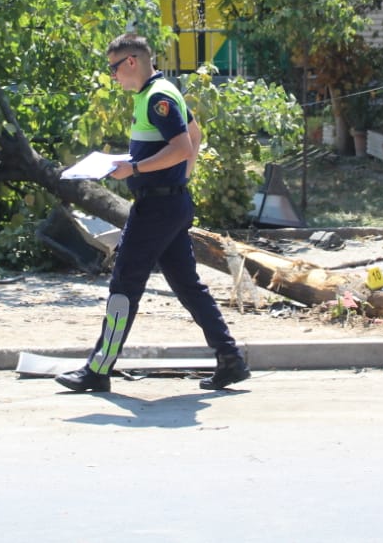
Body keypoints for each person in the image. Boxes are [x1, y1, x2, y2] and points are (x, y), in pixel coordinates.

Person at [56, 33, 251, 393]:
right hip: (169, 203)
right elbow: (196, 134)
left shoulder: (157, 97)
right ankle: (230, 358)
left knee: (123, 286)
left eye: (114, 68)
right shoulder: (161, 90)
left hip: (157, 207)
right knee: (187, 285)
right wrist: (180, 179)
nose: (113, 76)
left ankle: (98, 370)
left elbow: (181, 146)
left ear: (131, 62)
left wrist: (137, 170)